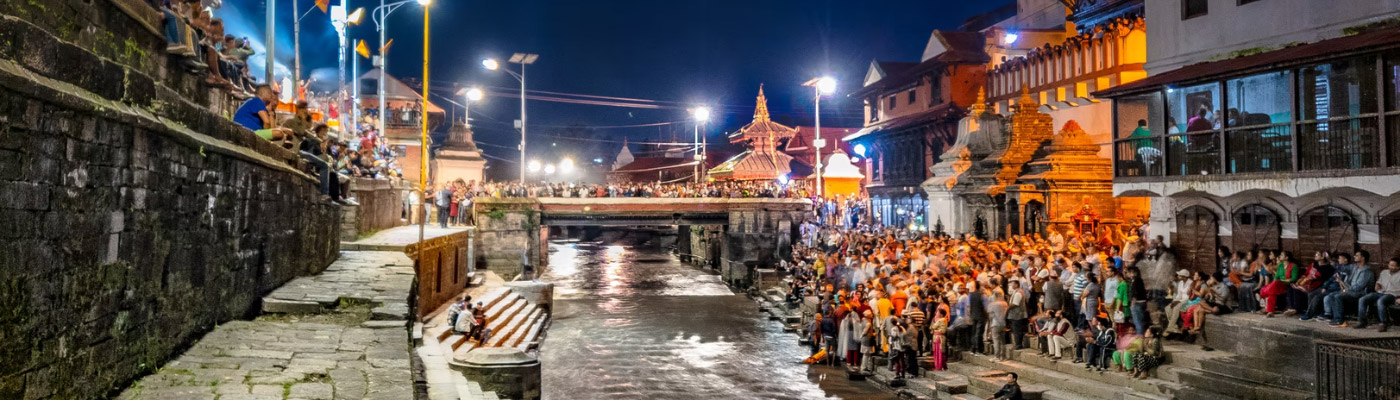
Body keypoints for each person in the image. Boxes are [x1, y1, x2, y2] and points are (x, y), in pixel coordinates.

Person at [1326, 250, 1375, 327]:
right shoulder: (1355, 267)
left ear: (1363, 258)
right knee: (1331, 295)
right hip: (1351, 290)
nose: (1354, 257)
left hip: (1360, 293)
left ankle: (1340, 320)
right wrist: (1330, 260)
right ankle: (1336, 318)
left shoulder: (1367, 271)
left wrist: (1345, 288)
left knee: (1338, 296)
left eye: (1357, 255)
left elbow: (1358, 287)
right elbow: (1341, 267)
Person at [1354, 257, 1399, 331]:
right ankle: (1362, 322)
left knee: (1381, 301)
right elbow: (1379, 282)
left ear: (1398, 267)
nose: (1391, 267)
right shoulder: (1384, 272)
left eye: (1393, 265)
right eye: (1390, 265)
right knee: (1363, 299)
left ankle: (1383, 323)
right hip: (1380, 292)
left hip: (1392, 294)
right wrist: (1377, 285)